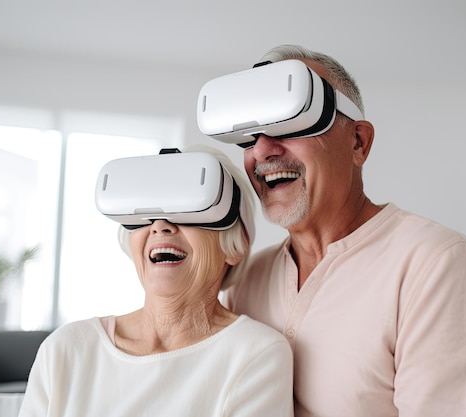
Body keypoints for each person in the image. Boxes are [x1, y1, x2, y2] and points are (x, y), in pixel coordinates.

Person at [215, 45, 466, 416]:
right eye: (252, 132)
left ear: (358, 142)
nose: (262, 150)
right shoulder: (245, 281)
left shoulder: (434, 264)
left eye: (290, 122)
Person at [18, 146, 294, 417]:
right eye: (148, 213)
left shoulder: (256, 354)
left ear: (234, 245)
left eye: (189, 210)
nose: (160, 225)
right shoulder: (66, 349)